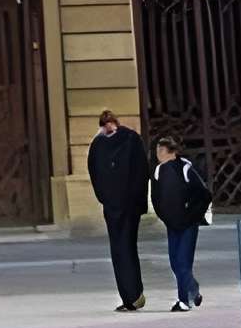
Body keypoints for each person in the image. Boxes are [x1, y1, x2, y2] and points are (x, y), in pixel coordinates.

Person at [87, 108, 148, 312]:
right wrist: (140, 203)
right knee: (130, 247)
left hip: (113, 207)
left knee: (119, 250)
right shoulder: (132, 139)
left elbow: (94, 175)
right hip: (131, 205)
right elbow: (142, 172)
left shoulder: (97, 145)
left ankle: (130, 296)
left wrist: (104, 199)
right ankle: (135, 293)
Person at [151, 133, 213, 311]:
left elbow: (204, 194)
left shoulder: (185, 168)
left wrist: (191, 214)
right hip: (172, 224)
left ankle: (183, 301)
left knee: (183, 262)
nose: (158, 154)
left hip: (188, 224)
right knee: (174, 262)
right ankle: (193, 290)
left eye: (160, 150)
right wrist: (164, 216)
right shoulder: (158, 171)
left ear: (169, 152)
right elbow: (156, 198)